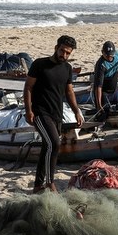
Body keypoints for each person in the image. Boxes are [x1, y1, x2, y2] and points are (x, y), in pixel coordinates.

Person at [23, 35, 83, 193]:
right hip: (40, 113)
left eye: (68, 53)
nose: (64, 55)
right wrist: (28, 110)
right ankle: (50, 182)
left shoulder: (67, 68)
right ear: (56, 47)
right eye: (62, 51)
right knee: (54, 144)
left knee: (47, 148)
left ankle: (37, 186)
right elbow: (28, 87)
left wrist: (77, 111)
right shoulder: (40, 64)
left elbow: (69, 91)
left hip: (57, 114)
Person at [92, 41, 118, 117]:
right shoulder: (101, 65)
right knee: (104, 114)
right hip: (104, 92)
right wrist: (99, 105)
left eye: (111, 56)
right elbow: (98, 87)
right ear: (102, 52)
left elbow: (117, 67)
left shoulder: (117, 55)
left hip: (114, 89)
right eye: (107, 55)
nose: (109, 58)